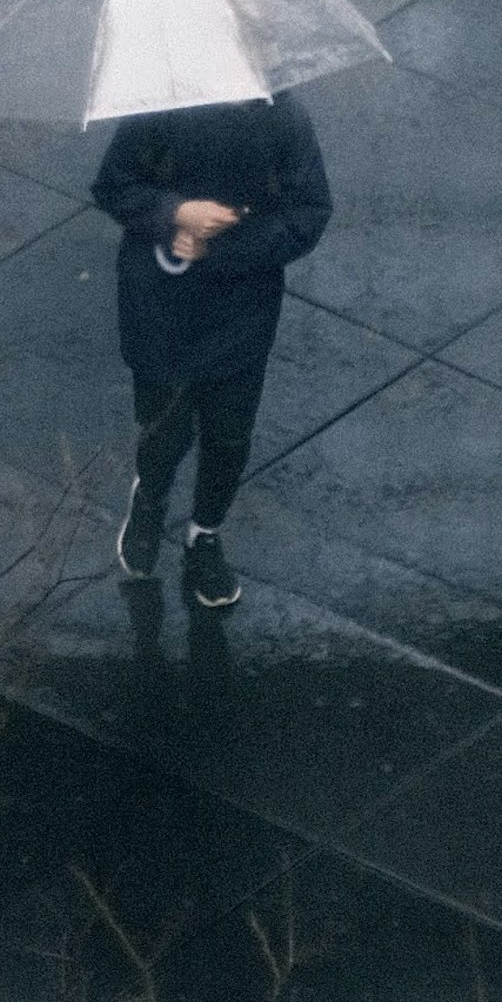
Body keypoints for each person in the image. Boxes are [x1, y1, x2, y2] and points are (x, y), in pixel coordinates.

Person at [92, 65, 332, 610]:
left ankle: (206, 534)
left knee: (228, 438)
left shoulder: (282, 118)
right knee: (163, 429)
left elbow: (309, 211)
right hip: (160, 303)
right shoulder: (158, 104)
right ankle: (149, 499)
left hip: (239, 310)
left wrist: (222, 249)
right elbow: (113, 184)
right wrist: (176, 212)